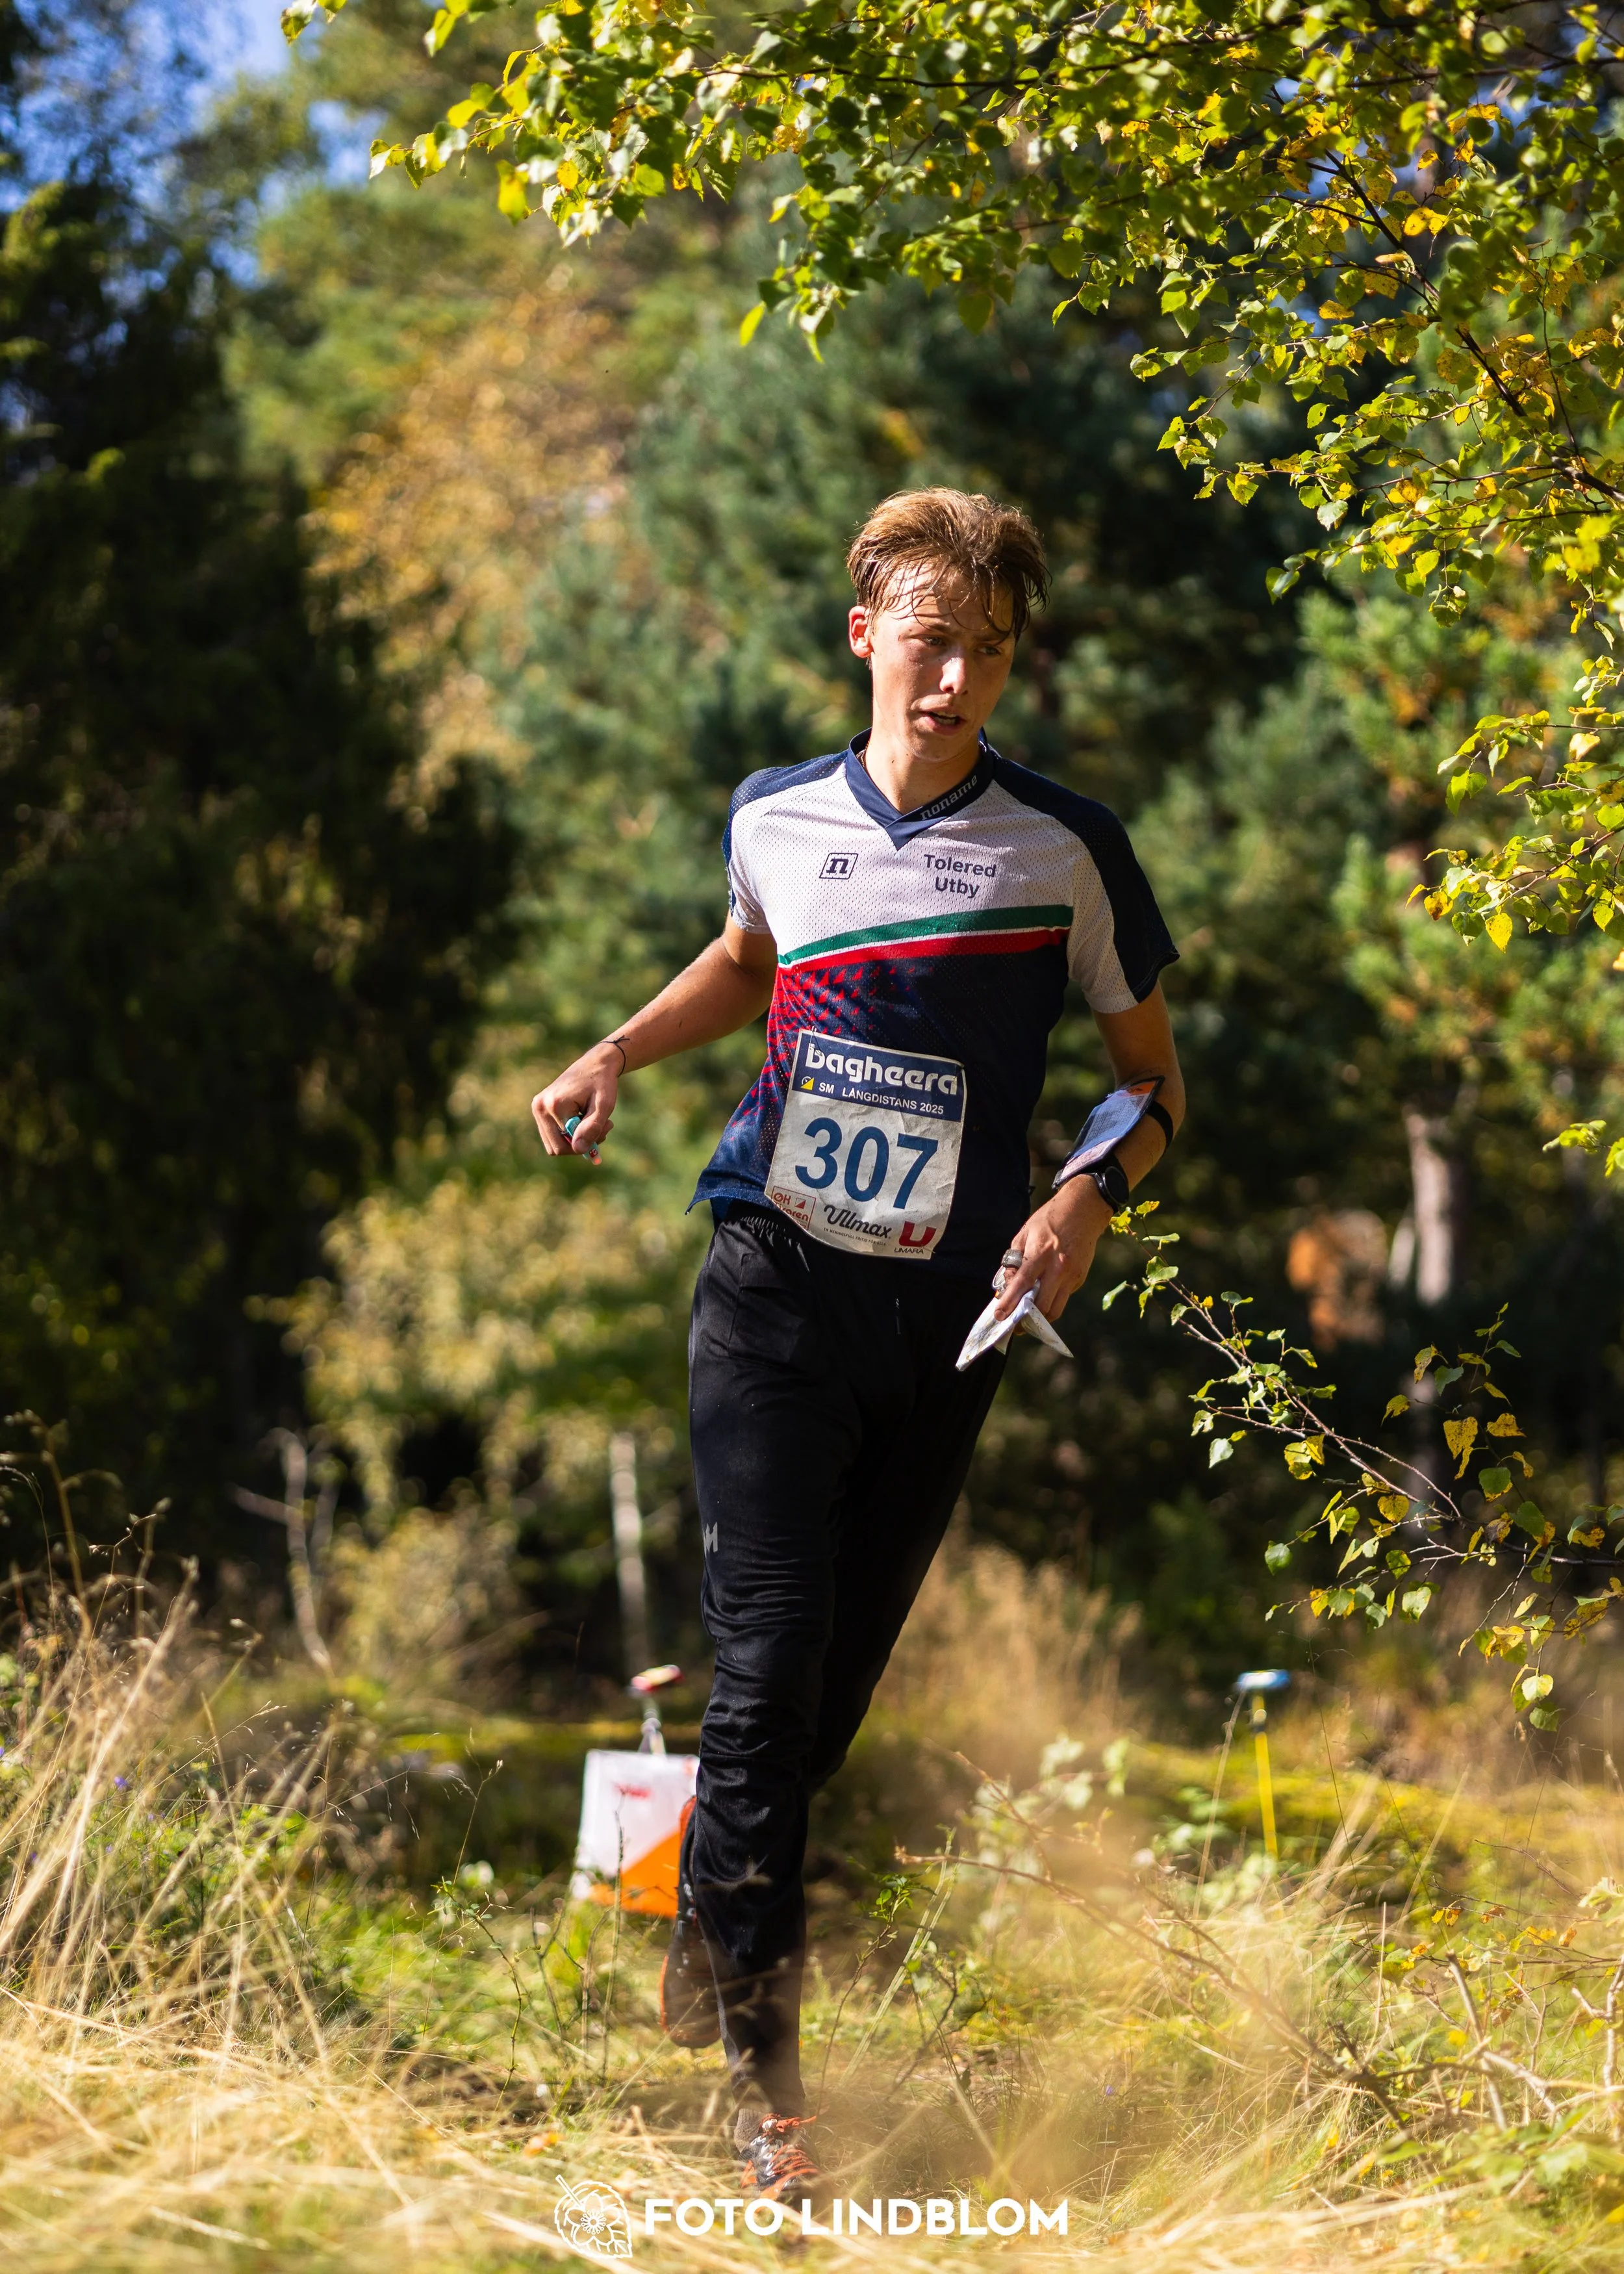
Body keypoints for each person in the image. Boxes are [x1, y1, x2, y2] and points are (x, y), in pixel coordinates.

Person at [533, 487, 1184, 2196]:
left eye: (985, 647)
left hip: (949, 1319)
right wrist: (613, 1050)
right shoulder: (774, 816)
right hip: (772, 1286)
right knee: (760, 1674)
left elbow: (1151, 1080)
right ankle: (770, 2095)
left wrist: (1084, 1201)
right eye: (926, 639)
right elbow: (750, 961)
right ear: (864, 636)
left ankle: (699, 1943)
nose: (953, 674)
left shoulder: (1064, 849)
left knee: (813, 1711)